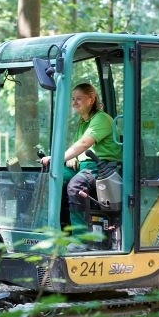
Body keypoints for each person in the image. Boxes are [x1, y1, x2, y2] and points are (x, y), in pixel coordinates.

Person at [40, 82, 122, 248]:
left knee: (75, 186)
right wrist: (73, 158)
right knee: (54, 176)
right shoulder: (83, 123)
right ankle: (54, 231)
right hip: (86, 165)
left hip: (103, 167)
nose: (74, 102)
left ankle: (80, 240)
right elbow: (80, 147)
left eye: (79, 99)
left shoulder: (101, 119)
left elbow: (84, 144)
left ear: (91, 99)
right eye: (72, 99)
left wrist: (57, 158)